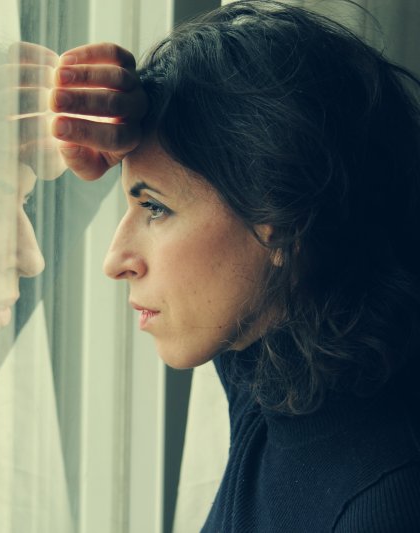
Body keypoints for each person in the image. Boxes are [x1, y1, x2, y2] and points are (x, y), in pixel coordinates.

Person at [50, 0, 420, 530]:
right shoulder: (280, 373)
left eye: (154, 207)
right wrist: (78, 134)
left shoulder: (384, 501)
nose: (116, 261)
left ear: (282, 219)